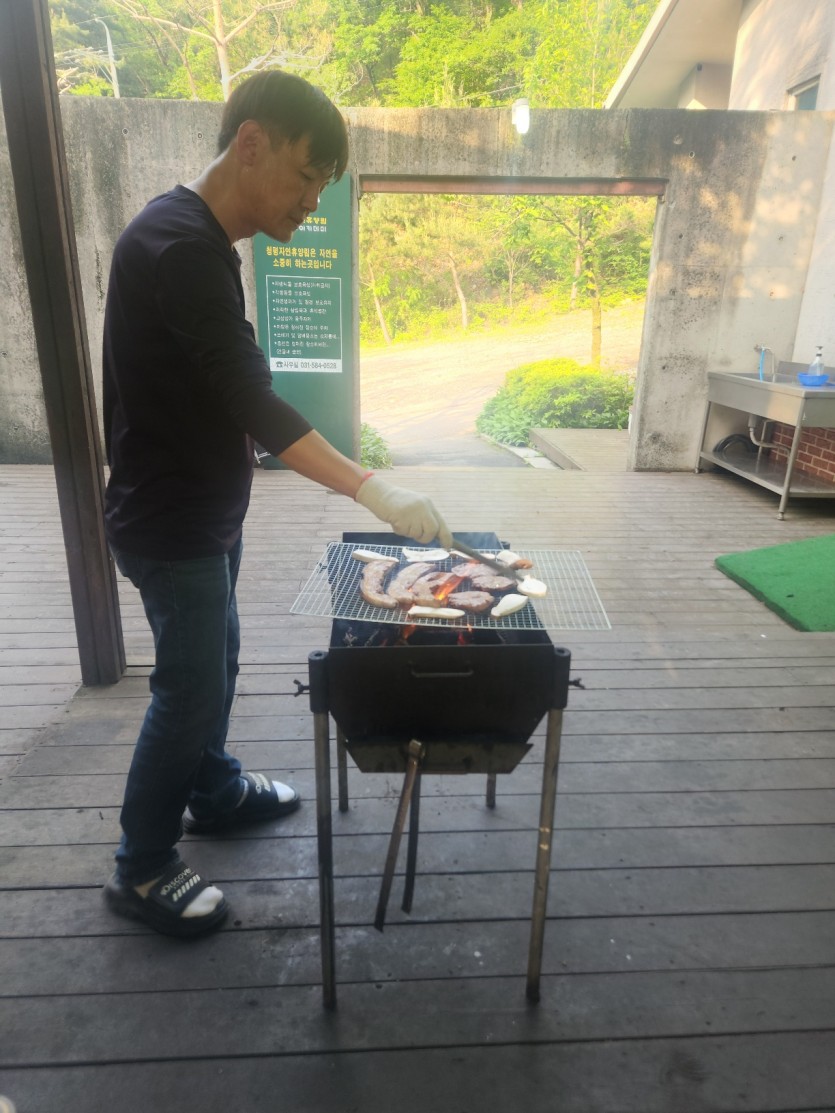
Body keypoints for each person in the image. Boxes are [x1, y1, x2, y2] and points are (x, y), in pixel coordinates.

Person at [101, 70, 451, 938]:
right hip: (171, 521)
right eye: (306, 175)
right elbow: (252, 400)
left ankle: (214, 789)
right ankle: (142, 865)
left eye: (322, 185)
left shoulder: (196, 238)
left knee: (216, 657)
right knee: (188, 686)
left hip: (199, 512)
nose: (311, 200)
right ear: (251, 144)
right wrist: (374, 487)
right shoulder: (180, 247)